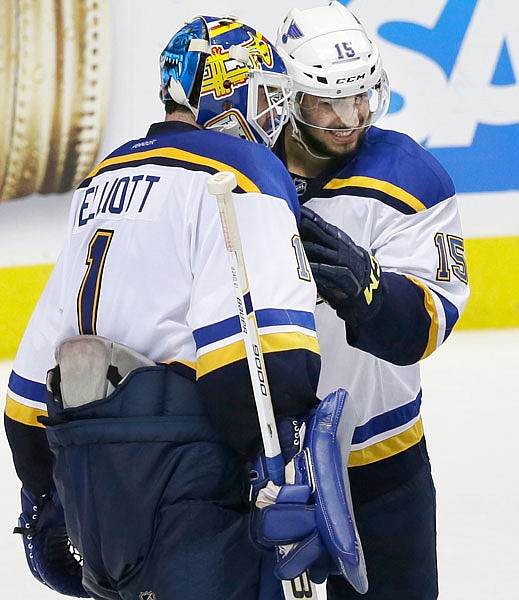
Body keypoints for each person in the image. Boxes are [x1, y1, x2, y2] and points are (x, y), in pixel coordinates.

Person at [4, 15, 321, 600]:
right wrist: (274, 471)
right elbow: (269, 364)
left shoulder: (104, 177)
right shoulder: (245, 171)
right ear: (228, 94)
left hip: (95, 490)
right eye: (268, 100)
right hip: (191, 486)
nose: (276, 125)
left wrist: (46, 493)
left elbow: (28, 390)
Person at [274, 2, 470, 599]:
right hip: (262, 463)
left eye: (358, 98)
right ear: (287, 96)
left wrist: (372, 295)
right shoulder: (242, 175)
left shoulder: (413, 178)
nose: (346, 117)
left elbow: (429, 326)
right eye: (324, 101)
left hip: (381, 459)